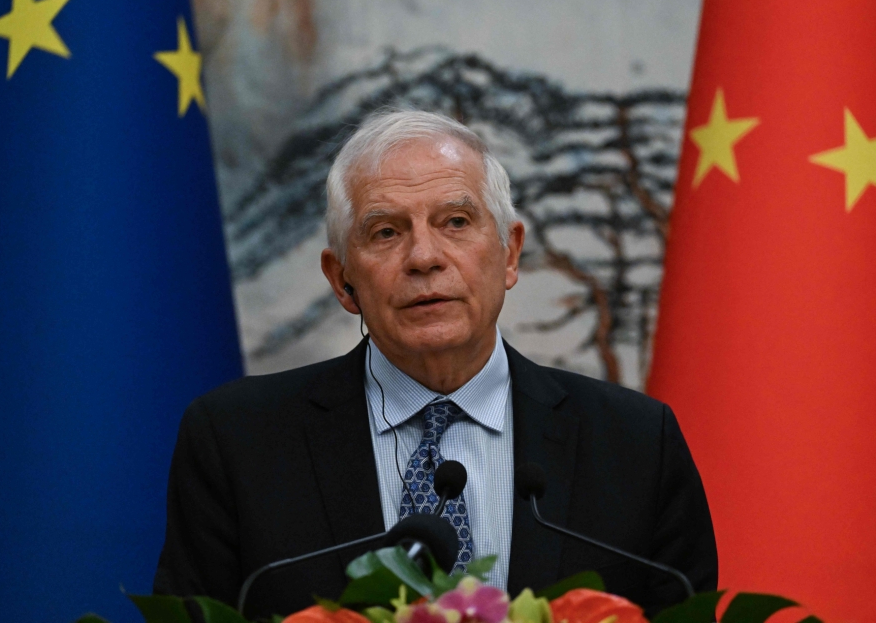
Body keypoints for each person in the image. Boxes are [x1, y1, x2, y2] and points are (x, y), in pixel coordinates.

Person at [153, 110, 717, 619]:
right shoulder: (237, 442)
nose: (424, 257)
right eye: (386, 232)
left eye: (454, 222)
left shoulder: (636, 445)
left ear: (510, 253)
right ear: (342, 280)